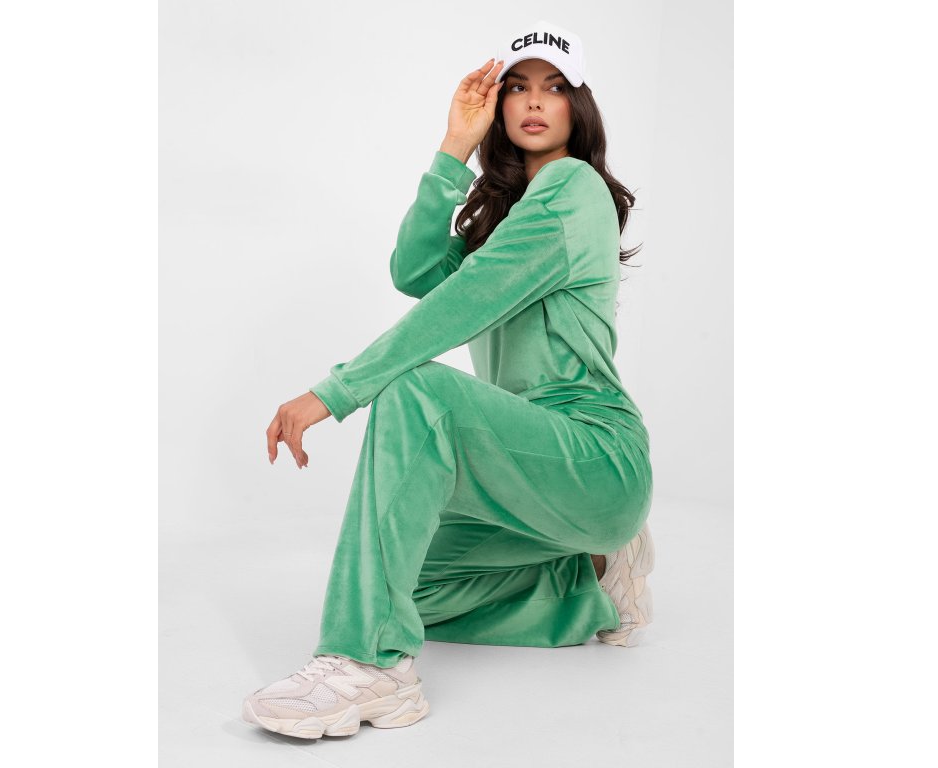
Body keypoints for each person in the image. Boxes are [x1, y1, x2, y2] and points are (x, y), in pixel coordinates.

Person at [242, 19, 655, 740]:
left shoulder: (573, 187)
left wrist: (335, 393)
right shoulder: (509, 219)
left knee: (416, 390)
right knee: (402, 583)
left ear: (578, 107)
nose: (534, 101)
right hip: (523, 476)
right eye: (516, 87)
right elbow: (415, 273)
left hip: (594, 456)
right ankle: (586, 580)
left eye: (554, 88)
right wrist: (453, 148)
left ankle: (371, 664)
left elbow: (460, 303)